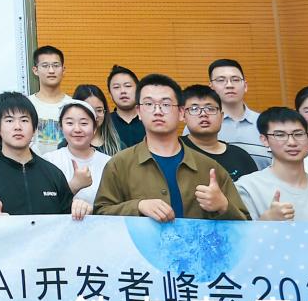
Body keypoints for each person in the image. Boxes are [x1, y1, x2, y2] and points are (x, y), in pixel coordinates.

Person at [94, 74, 249, 221]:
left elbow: (246, 223)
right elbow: (100, 213)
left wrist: (223, 206)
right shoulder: (119, 164)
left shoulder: (209, 167)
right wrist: (138, 206)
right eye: (149, 104)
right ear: (139, 112)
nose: (158, 111)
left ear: (181, 113)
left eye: (166, 104)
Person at [0, 92, 85, 218]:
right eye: (9, 120)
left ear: (34, 129)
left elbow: (67, 219)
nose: (18, 127)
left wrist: (80, 209)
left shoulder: (53, 174)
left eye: (24, 120)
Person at [235, 107, 308, 222]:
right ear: (264, 140)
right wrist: (267, 220)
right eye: (280, 135)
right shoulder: (247, 188)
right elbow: (239, 232)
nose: (292, 142)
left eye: (298, 134)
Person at [180, 85, 259, 181]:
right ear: (183, 115)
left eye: (210, 108)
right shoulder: (175, 151)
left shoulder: (240, 156)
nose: (203, 114)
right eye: (194, 109)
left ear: (221, 117)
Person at [42, 100, 112, 206]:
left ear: (94, 128)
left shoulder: (108, 163)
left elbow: (113, 205)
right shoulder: (49, 161)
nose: (77, 129)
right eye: (70, 123)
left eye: (84, 123)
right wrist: (74, 185)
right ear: (61, 127)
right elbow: (44, 205)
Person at [206, 58, 271, 168]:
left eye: (235, 80)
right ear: (211, 87)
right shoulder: (200, 123)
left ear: (245, 86)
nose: (229, 85)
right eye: (221, 80)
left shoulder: (266, 123)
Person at [28, 45, 77, 155]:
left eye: (56, 65)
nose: (51, 70)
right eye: (45, 66)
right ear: (35, 70)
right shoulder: (26, 104)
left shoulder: (73, 105)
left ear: (63, 70)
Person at [67, 84, 122, 155]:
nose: (94, 116)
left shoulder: (118, 146)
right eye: (89, 110)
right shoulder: (65, 146)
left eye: (99, 110)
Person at [107, 65, 144, 148]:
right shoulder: (105, 123)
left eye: (128, 86)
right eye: (116, 87)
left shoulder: (150, 120)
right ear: (110, 94)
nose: (123, 91)